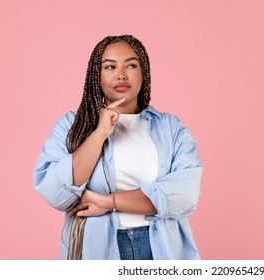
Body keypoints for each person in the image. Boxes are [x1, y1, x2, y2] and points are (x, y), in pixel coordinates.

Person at [33, 35, 203, 260]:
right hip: (100, 251)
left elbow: (185, 193)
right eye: (110, 66)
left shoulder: (170, 127)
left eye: (131, 65)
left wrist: (108, 202)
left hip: (160, 248)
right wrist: (100, 133)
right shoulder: (70, 126)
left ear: (144, 74)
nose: (121, 74)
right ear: (97, 76)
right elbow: (57, 194)